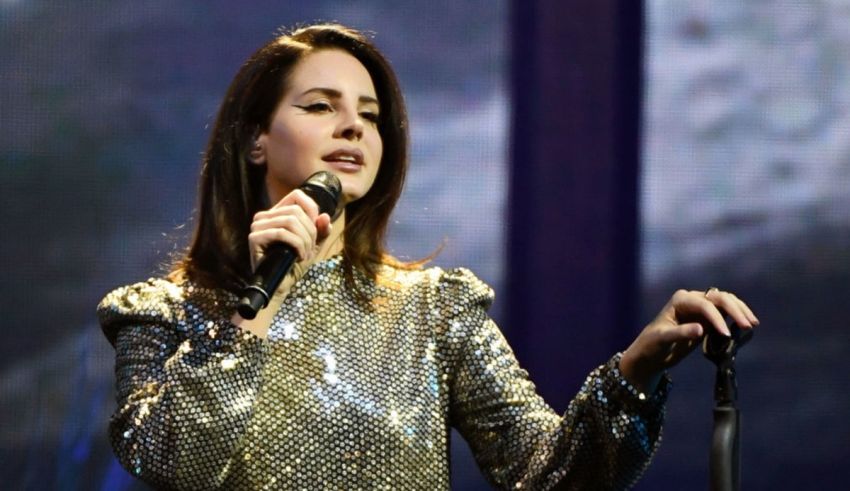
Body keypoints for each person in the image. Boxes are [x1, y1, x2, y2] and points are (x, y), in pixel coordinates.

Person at [97, 23, 759, 490]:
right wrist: (255, 312)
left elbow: (548, 473)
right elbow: (173, 462)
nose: (353, 126)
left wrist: (635, 370)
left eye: (370, 114)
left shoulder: (434, 310)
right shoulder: (161, 312)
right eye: (320, 106)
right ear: (255, 142)